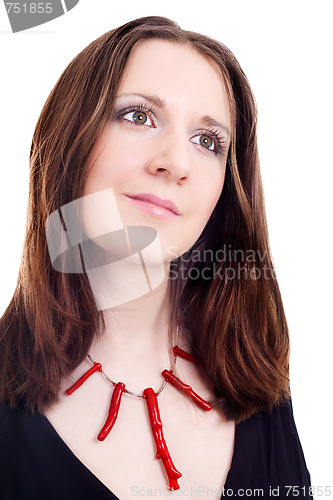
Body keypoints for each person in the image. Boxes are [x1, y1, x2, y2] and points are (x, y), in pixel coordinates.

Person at [0, 16, 311, 500]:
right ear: (69, 140)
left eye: (208, 142)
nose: (176, 163)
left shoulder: (259, 385)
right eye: (138, 116)